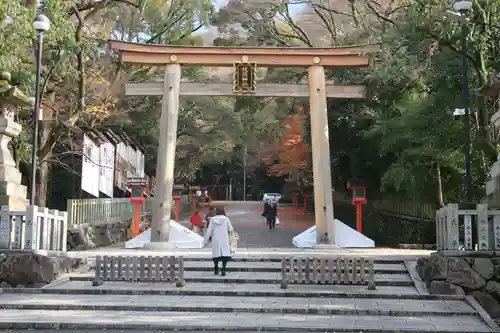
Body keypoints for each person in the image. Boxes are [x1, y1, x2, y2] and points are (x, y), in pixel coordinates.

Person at [203, 206, 234, 276]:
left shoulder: (213, 220)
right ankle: (223, 269)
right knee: (225, 255)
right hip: (224, 239)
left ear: (216, 211)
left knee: (216, 255)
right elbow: (231, 229)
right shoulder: (226, 219)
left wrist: (205, 241)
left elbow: (209, 231)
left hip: (215, 240)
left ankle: (216, 267)